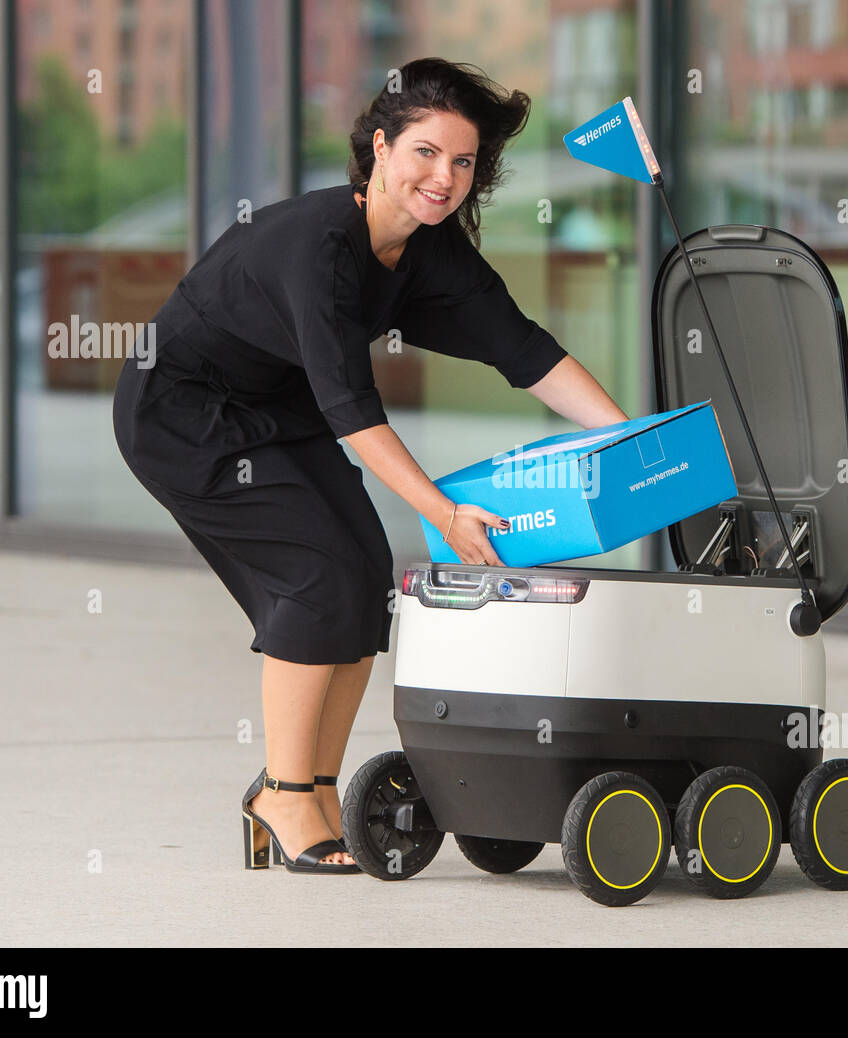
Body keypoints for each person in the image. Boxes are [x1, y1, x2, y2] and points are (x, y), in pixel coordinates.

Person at [111, 57, 629, 873]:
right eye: (425, 152)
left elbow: (523, 350)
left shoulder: (429, 251)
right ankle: (282, 791)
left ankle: (310, 789)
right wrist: (446, 513)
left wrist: (631, 439)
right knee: (315, 577)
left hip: (281, 409)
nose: (444, 177)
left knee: (362, 574)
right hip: (185, 412)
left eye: (462, 162)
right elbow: (355, 413)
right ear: (380, 148)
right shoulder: (319, 247)